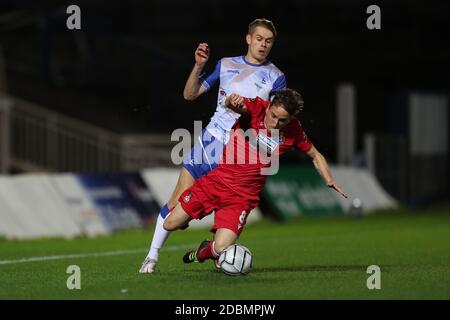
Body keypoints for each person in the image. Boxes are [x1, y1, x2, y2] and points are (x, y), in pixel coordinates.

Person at [140, 18, 287, 273]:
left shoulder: (276, 77)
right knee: (176, 204)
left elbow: (273, 121)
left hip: (239, 153)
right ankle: (151, 258)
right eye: (259, 39)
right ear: (248, 39)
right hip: (209, 141)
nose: (263, 44)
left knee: (224, 215)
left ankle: (216, 251)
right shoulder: (226, 65)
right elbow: (190, 95)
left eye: (269, 41)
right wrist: (198, 66)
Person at [162, 88, 348, 267]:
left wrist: (328, 179)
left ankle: (201, 252)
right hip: (216, 182)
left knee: (220, 248)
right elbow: (236, 105)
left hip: (242, 198)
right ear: (269, 107)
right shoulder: (257, 108)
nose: (275, 123)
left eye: (282, 120)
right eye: (273, 115)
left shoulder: (294, 131)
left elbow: (316, 155)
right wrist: (230, 101)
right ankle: (185, 220)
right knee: (170, 224)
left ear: (291, 119)